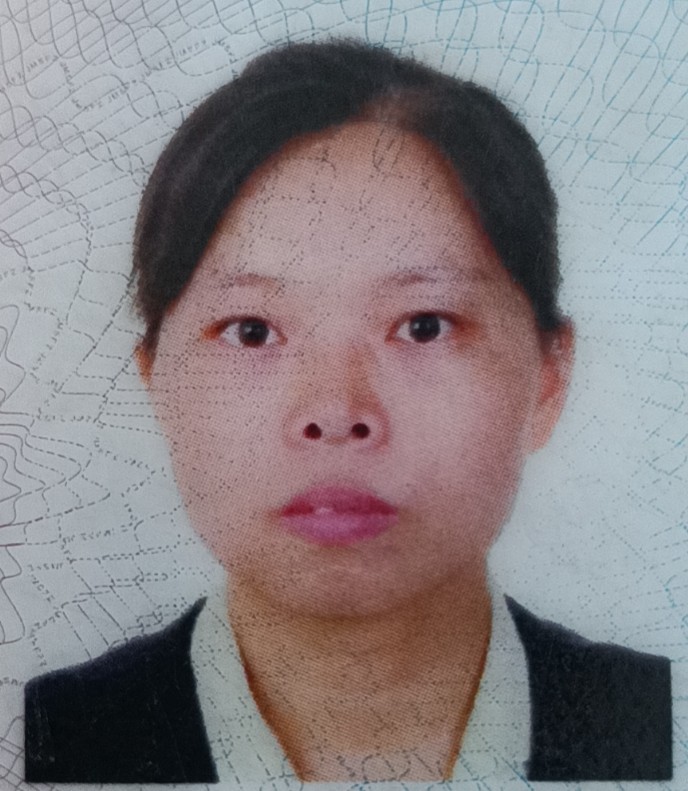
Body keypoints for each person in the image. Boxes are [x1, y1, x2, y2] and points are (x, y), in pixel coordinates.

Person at [24, 38, 671, 784]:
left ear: (549, 378)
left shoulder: (661, 723)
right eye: (252, 330)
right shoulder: (43, 742)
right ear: (155, 383)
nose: (335, 411)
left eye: (423, 325)